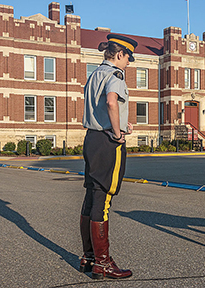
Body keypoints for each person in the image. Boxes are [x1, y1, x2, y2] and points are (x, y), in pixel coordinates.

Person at [79, 33, 138, 279]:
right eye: (127, 58)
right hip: (107, 142)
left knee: (91, 198)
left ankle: (89, 257)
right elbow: (112, 102)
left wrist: (125, 123)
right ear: (120, 54)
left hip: (92, 139)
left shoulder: (94, 75)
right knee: (102, 202)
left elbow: (101, 108)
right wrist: (118, 132)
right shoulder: (115, 75)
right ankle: (103, 263)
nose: (128, 63)